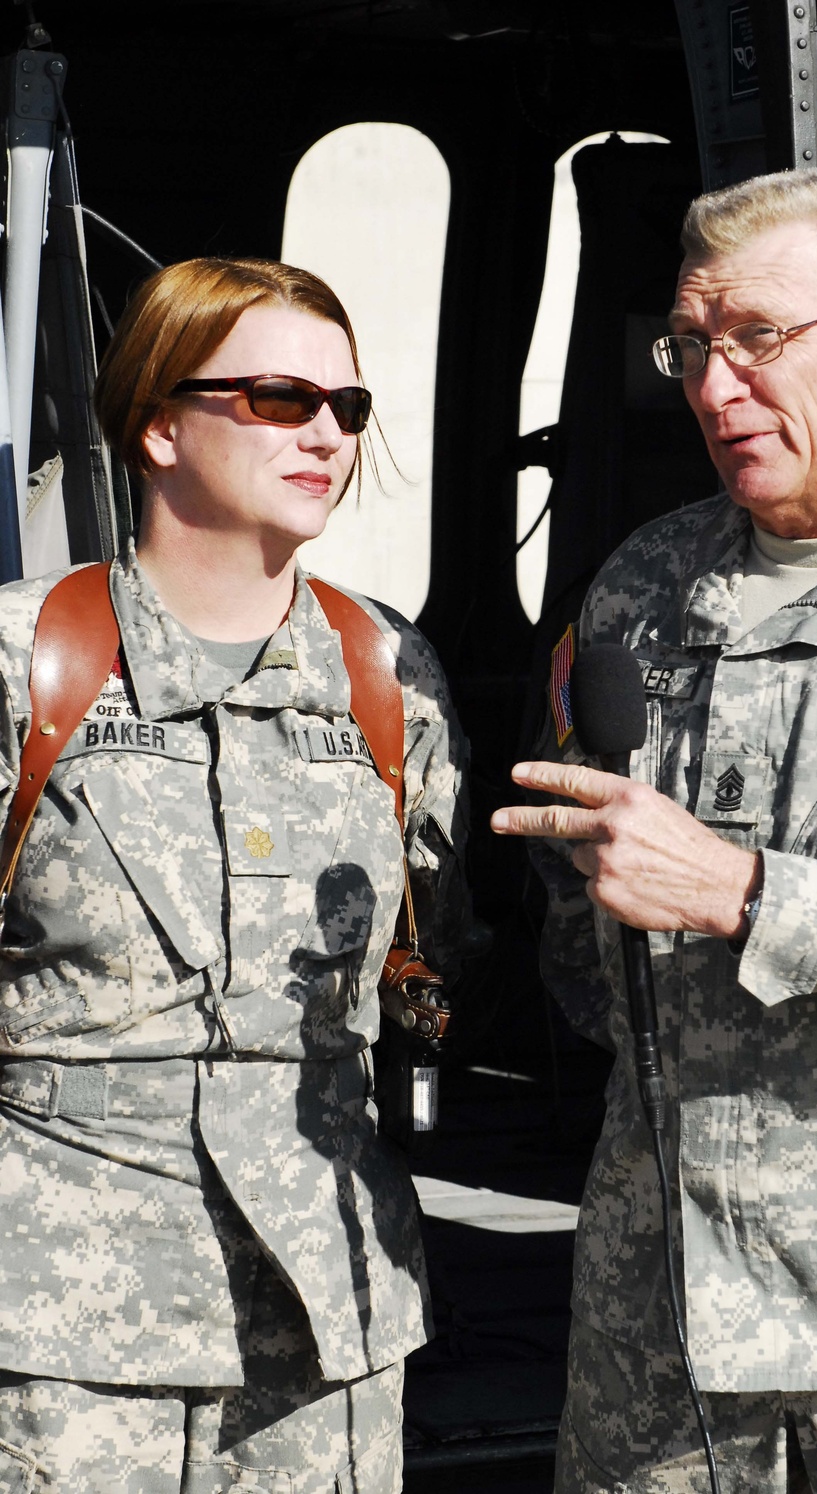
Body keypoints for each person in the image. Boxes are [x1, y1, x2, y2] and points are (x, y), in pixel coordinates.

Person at [492, 167, 817, 1492]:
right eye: (691, 346)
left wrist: (751, 894)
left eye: (758, 339)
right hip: (653, 1349)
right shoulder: (642, 590)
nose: (713, 390)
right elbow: (581, 961)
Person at [0, 257, 469, 1492]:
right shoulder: (28, 664)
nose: (325, 432)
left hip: (329, 1319)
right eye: (277, 399)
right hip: (63, 1332)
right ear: (159, 423)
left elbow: (434, 948)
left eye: (347, 408)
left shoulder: (386, 675)